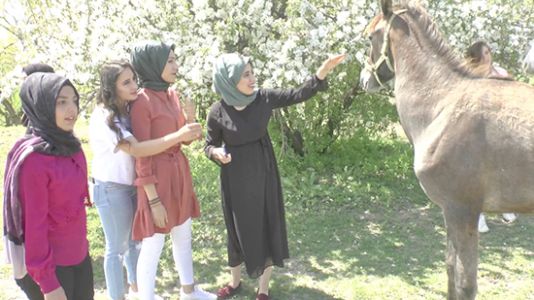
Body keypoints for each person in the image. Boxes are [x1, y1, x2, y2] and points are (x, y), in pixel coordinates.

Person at [205, 53, 345, 300]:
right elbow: (208, 146)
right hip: (234, 179)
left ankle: (263, 289)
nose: (252, 78)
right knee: (236, 229)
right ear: (230, 80)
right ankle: (235, 282)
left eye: (252, 72)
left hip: (263, 172)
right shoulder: (217, 111)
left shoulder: (264, 98)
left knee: (264, 223)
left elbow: (298, 94)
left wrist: (321, 73)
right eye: (245, 74)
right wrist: (216, 152)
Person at [89, 60, 203, 300]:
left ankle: (137, 292)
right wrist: (178, 135)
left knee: (134, 244)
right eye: (126, 82)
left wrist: (185, 121)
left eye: (134, 79)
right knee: (116, 250)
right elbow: (139, 150)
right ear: (111, 88)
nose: (134, 86)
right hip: (112, 188)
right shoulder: (106, 116)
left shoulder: (127, 107)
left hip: (132, 183)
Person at [129, 41, 216, 300]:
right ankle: (145, 297)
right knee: (153, 242)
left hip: (179, 173)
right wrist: (153, 199)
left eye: (176, 60)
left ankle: (189, 291)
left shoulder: (172, 94)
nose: (176, 66)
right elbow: (141, 153)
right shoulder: (142, 101)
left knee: (183, 234)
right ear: (152, 64)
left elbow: (184, 139)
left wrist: (190, 120)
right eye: (170, 61)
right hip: (156, 177)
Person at [3, 72, 94, 300]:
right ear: (41, 105)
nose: (71, 109)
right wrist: (48, 283)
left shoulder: (72, 146)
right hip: (54, 268)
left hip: (80, 257)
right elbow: (35, 225)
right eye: (61, 102)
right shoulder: (34, 159)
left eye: (74, 100)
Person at [464, 41, 517, 233]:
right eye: (484, 53)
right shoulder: (471, 75)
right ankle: (479, 215)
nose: (488, 56)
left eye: (489, 52)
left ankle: (505, 206)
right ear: (477, 56)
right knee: (479, 174)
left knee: (504, 167)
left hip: (502, 127)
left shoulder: (499, 70)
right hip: (479, 130)